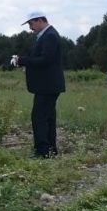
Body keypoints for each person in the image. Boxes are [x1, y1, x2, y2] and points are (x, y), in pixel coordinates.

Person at [14, 10, 66, 159]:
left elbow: (45, 59)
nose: (30, 28)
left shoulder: (49, 35)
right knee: (48, 117)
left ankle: (42, 151)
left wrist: (22, 61)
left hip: (47, 85)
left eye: (31, 24)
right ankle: (50, 148)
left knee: (39, 117)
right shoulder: (45, 35)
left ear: (39, 20)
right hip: (48, 85)